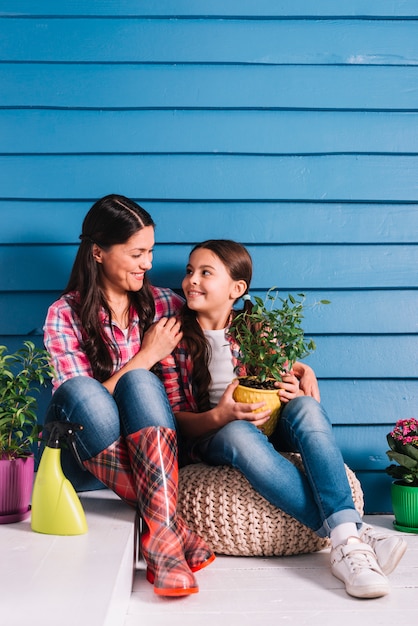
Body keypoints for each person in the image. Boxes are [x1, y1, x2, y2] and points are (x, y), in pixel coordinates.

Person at [158, 239, 407, 600]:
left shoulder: (257, 329)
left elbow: (281, 375)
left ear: (237, 289)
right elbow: (176, 421)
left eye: (205, 273)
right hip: (217, 436)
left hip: (271, 427)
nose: (191, 280)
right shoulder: (175, 338)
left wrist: (294, 384)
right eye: (189, 271)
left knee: (306, 407)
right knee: (241, 432)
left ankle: (346, 539)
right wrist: (220, 415)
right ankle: (352, 536)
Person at [43, 194, 215, 597]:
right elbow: (86, 405)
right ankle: (173, 528)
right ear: (99, 252)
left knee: (140, 383)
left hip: (154, 453)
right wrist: (147, 355)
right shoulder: (64, 314)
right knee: (90, 387)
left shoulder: (166, 305)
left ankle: (162, 542)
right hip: (87, 457)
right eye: (137, 253)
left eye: (151, 252)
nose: (148, 264)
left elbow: (230, 323)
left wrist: (295, 366)